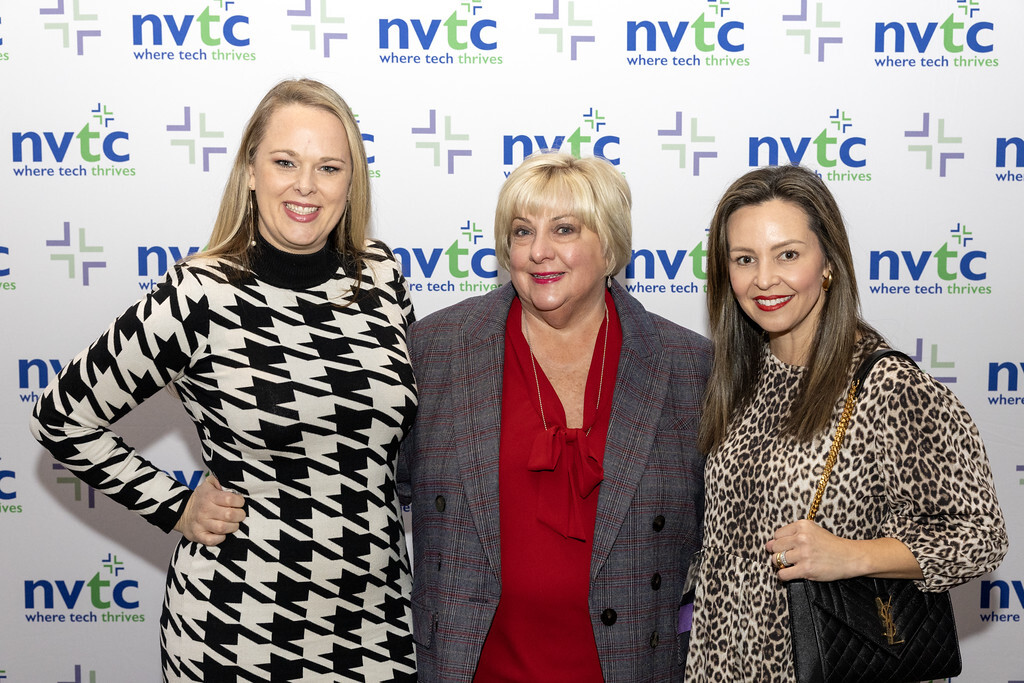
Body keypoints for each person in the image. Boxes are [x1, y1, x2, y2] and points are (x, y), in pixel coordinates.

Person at [30, 78, 418, 682]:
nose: (306, 185)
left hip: (376, 624)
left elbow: (413, 438)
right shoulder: (199, 294)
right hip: (238, 625)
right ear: (250, 171)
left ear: (351, 183)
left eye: (329, 167)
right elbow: (61, 416)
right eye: (285, 161)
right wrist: (176, 505)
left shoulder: (380, 274)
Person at [397, 152, 712, 682]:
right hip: (470, 669)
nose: (539, 251)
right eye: (522, 232)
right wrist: (206, 501)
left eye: (564, 229)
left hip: (634, 666)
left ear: (610, 246)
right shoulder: (437, 351)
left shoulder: (689, 367)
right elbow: (361, 484)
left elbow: (730, 532)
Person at [685, 164, 1008, 680]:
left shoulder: (886, 385)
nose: (764, 279)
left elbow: (981, 536)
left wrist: (851, 556)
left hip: (824, 666)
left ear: (828, 262)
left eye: (787, 254)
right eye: (745, 259)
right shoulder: (739, 379)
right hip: (720, 665)